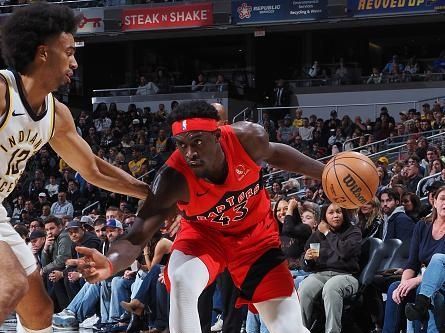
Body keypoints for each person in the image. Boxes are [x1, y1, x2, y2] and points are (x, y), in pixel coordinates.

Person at [72, 100, 325, 333]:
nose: (189, 152)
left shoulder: (248, 138)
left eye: (197, 142)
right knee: (182, 280)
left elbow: (281, 155)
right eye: (182, 144)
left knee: (289, 327)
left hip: (257, 239)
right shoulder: (172, 178)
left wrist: (328, 173)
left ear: (217, 136)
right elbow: (135, 237)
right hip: (205, 238)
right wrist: (110, 263)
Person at [0, 3, 149, 332]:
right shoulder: (2, 92)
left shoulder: (57, 114)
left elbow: (93, 168)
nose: (74, 61)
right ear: (43, 53)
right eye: (68, 51)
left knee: (39, 312)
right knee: (9, 286)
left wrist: (148, 192)